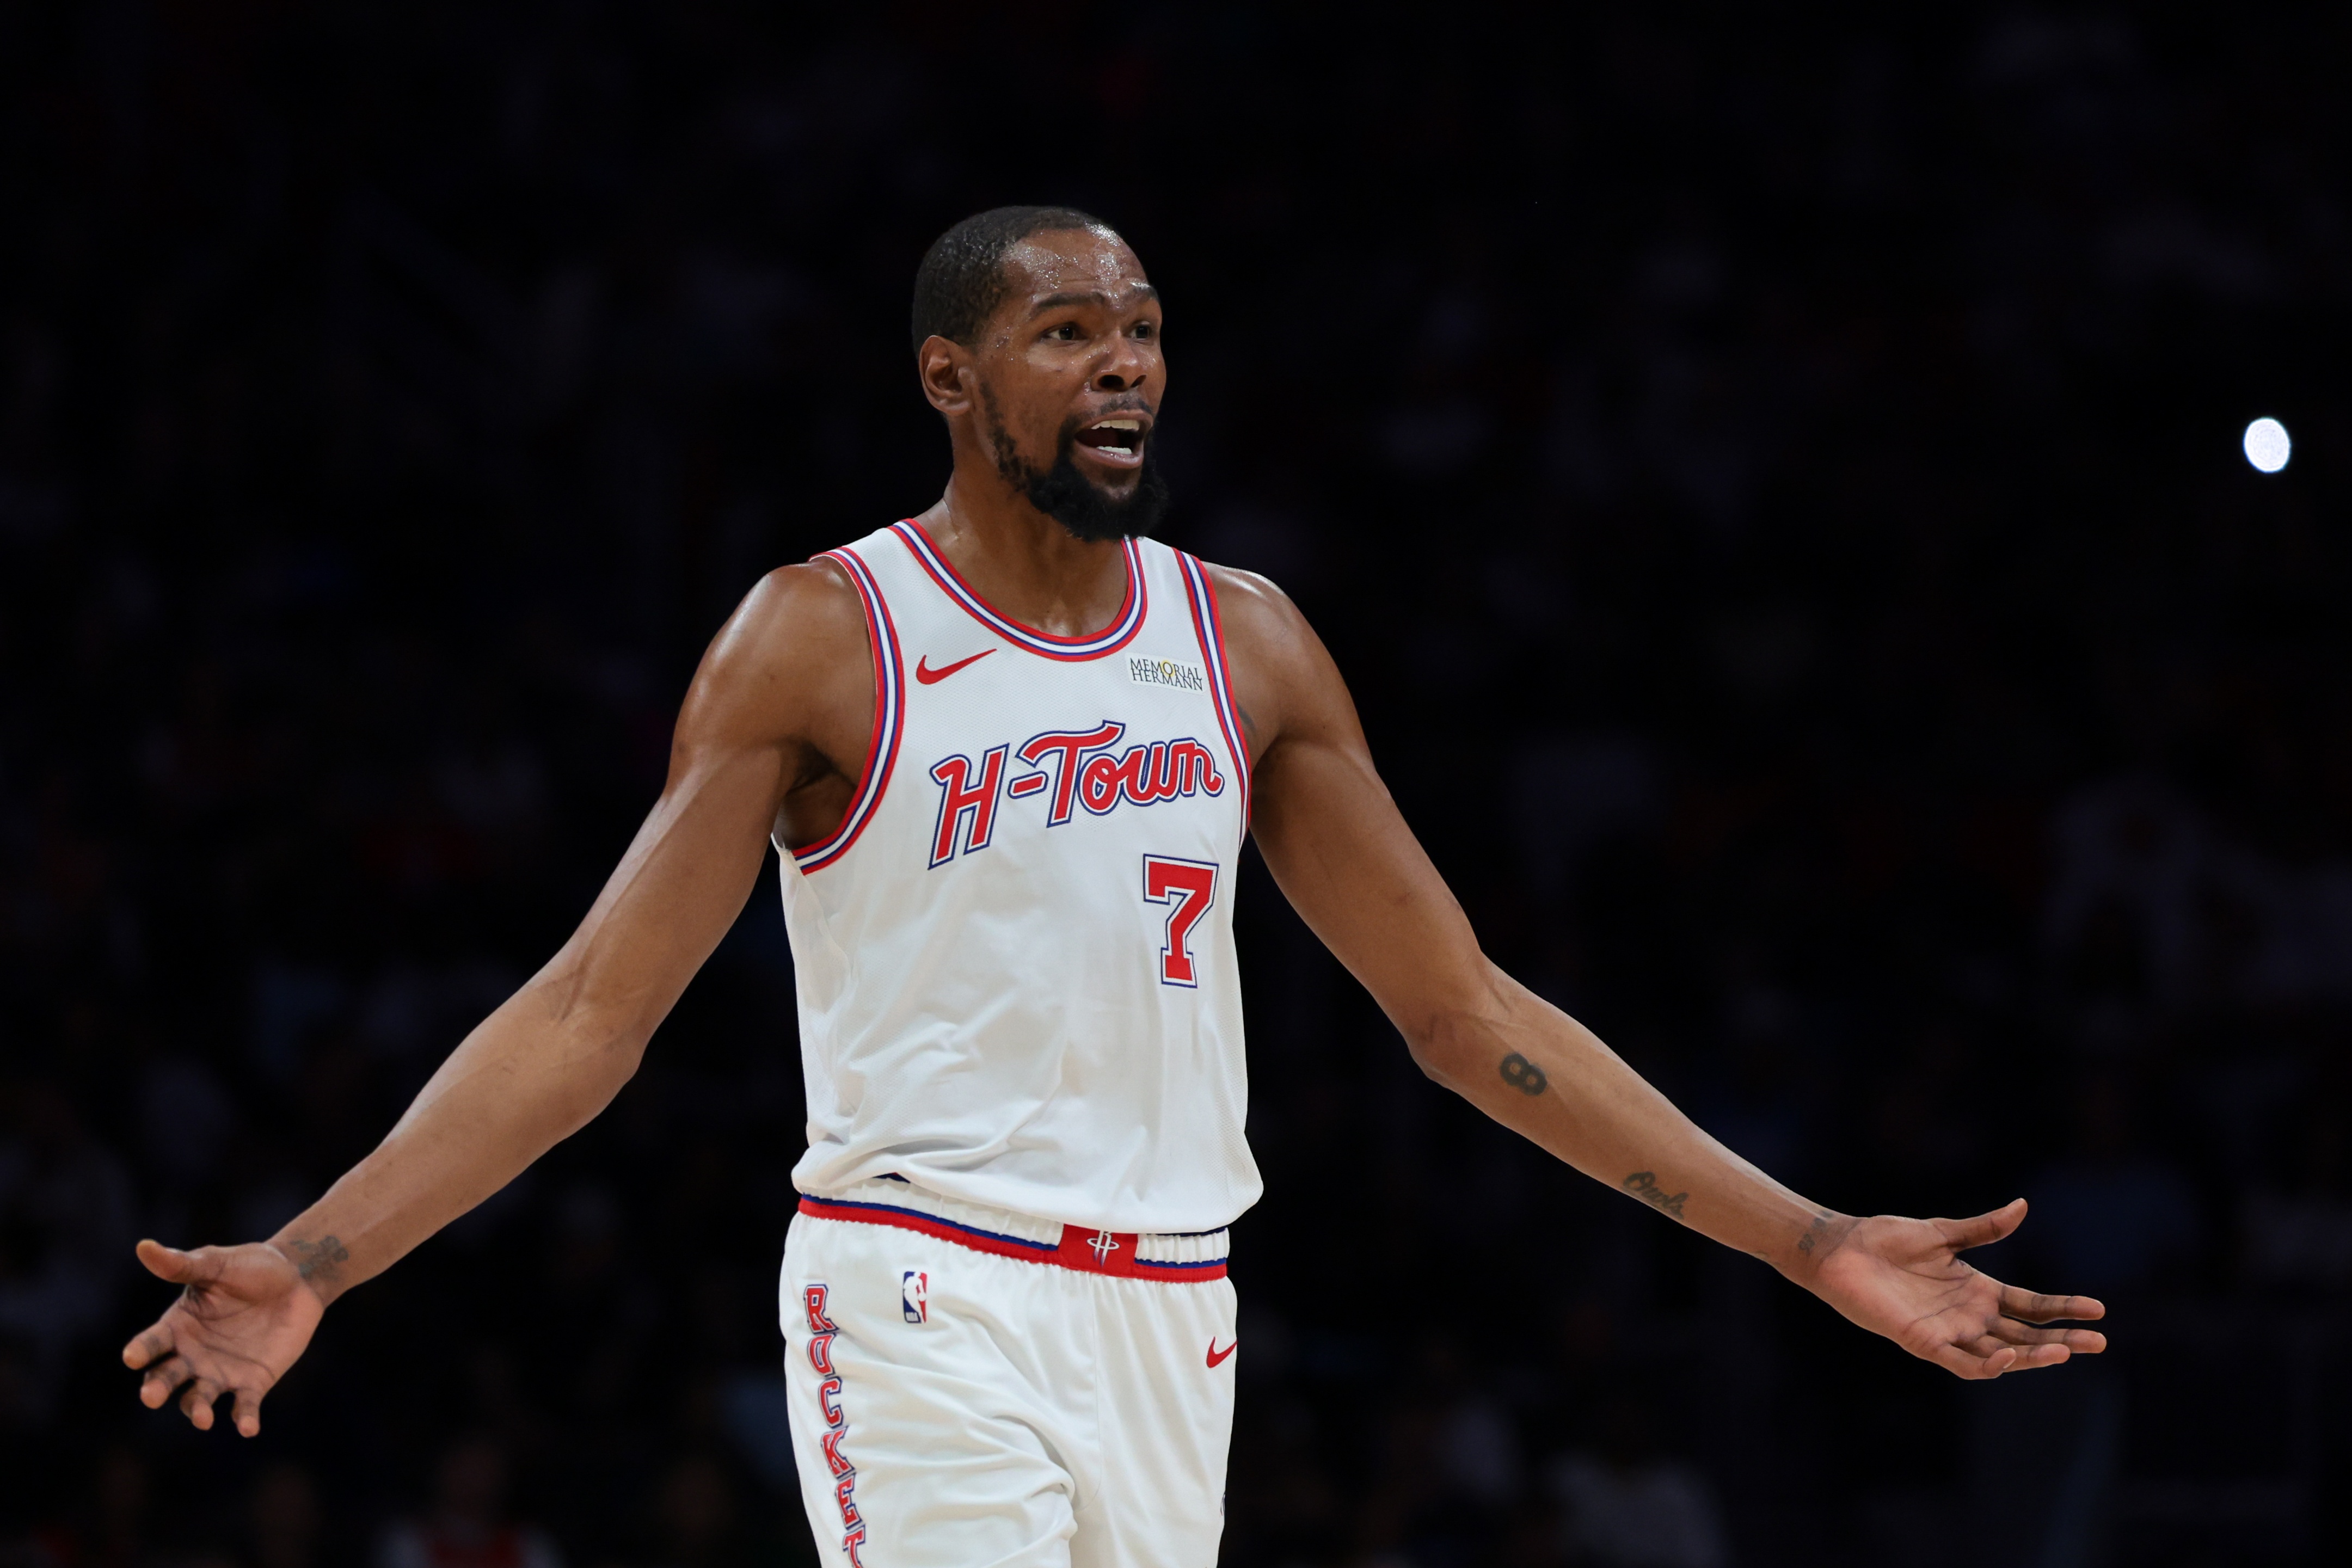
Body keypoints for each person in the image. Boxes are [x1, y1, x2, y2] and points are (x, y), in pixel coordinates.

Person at [121, 206, 2107, 1568]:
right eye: (1066, 330)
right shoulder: (825, 636)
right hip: (922, 1285)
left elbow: (1465, 1014)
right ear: (951, 375)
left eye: (1141, 326)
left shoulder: (1243, 642)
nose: (1123, 361)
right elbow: (586, 1013)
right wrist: (317, 1256)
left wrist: (1805, 1239)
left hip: (1175, 1309)